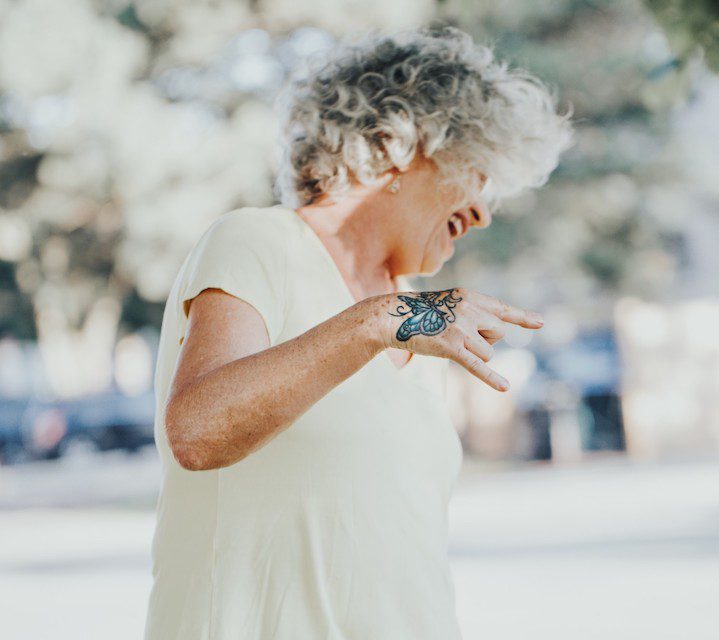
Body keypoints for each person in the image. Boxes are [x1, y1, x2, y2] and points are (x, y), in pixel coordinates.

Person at [144, 23, 574, 640]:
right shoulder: (259, 241)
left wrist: (393, 316)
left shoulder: (412, 309)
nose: (483, 212)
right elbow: (197, 432)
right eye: (476, 168)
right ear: (395, 143)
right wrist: (381, 320)